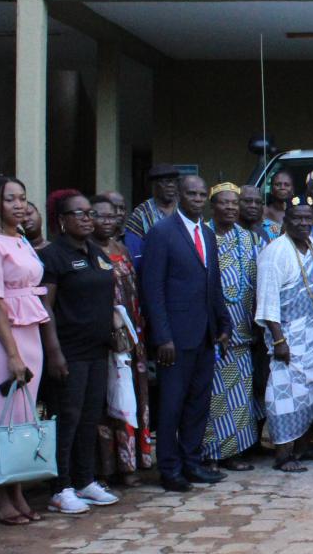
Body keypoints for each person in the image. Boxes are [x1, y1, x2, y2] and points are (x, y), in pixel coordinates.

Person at [140, 174, 231, 492]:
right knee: (172, 406)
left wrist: (223, 322)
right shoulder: (161, 233)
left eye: (201, 194)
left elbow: (212, 283)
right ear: (179, 195)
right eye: (191, 193)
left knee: (198, 404)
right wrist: (162, 337)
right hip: (174, 340)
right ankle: (169, 469)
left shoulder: (206, 233)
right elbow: (152, 289)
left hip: (204, 334)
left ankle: (192, 464)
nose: (197, 198)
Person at [39, 191, 124, 515]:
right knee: (68, 418)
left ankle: (84, 479)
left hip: (97, 349)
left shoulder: (96, 252)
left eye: (90, 212)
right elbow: (45, 306)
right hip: (68, 351)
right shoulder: (54, 256)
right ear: (62, 220)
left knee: (90, 416)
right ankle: (60, 487)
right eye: (79, 213)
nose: (87, 218)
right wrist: (54, 352)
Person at [0, 176, 49, 525]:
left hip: (30, 331)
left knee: (23, 414)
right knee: (0, 414)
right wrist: (12, 354)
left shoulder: (20, 239)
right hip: (2, 338)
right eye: (9, 199)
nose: (19, 205)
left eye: (23, 198)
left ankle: (17, 488)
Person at [257, 197, 313, 473]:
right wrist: (278, 339)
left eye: (307, 218)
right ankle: (283, 454)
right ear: (285, 222)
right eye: (297, 218)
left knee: (309, 391)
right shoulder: (276, 252)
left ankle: (301, 447)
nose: (303, 223)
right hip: (287, 336)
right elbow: (267, 300)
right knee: (284, 393)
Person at [92, 194, 152, 486]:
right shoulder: (88, 252)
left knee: (131, 398)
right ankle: (104, 469)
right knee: (105, 401)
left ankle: (130, 464)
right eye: (101, 215)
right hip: (102, 337)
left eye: (115, 214)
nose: (109, 220)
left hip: (131, 335)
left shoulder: (124, 250)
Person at [205, 183, 260, 471]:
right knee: (214, 396)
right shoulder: (202, 236)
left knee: (240, 395)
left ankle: (235, 451)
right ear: (212, 206)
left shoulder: (249, 238)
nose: (230, 208)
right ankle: (212, 453)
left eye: (234, 204)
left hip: (243, 330)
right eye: (223, 203)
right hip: (212, 332)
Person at [123, 164, 179, 268]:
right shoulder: (141, 213)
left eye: (174, 181)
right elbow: (134, 252)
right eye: (165, 181)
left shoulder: (185, 209)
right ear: (154, 185)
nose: (171, 185)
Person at [261, 170, 295, 243]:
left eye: (287, 185)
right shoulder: (261, 212)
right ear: (271, 189)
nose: (282, 187)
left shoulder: (299, 213)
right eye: (278, 184)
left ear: (292, 190)